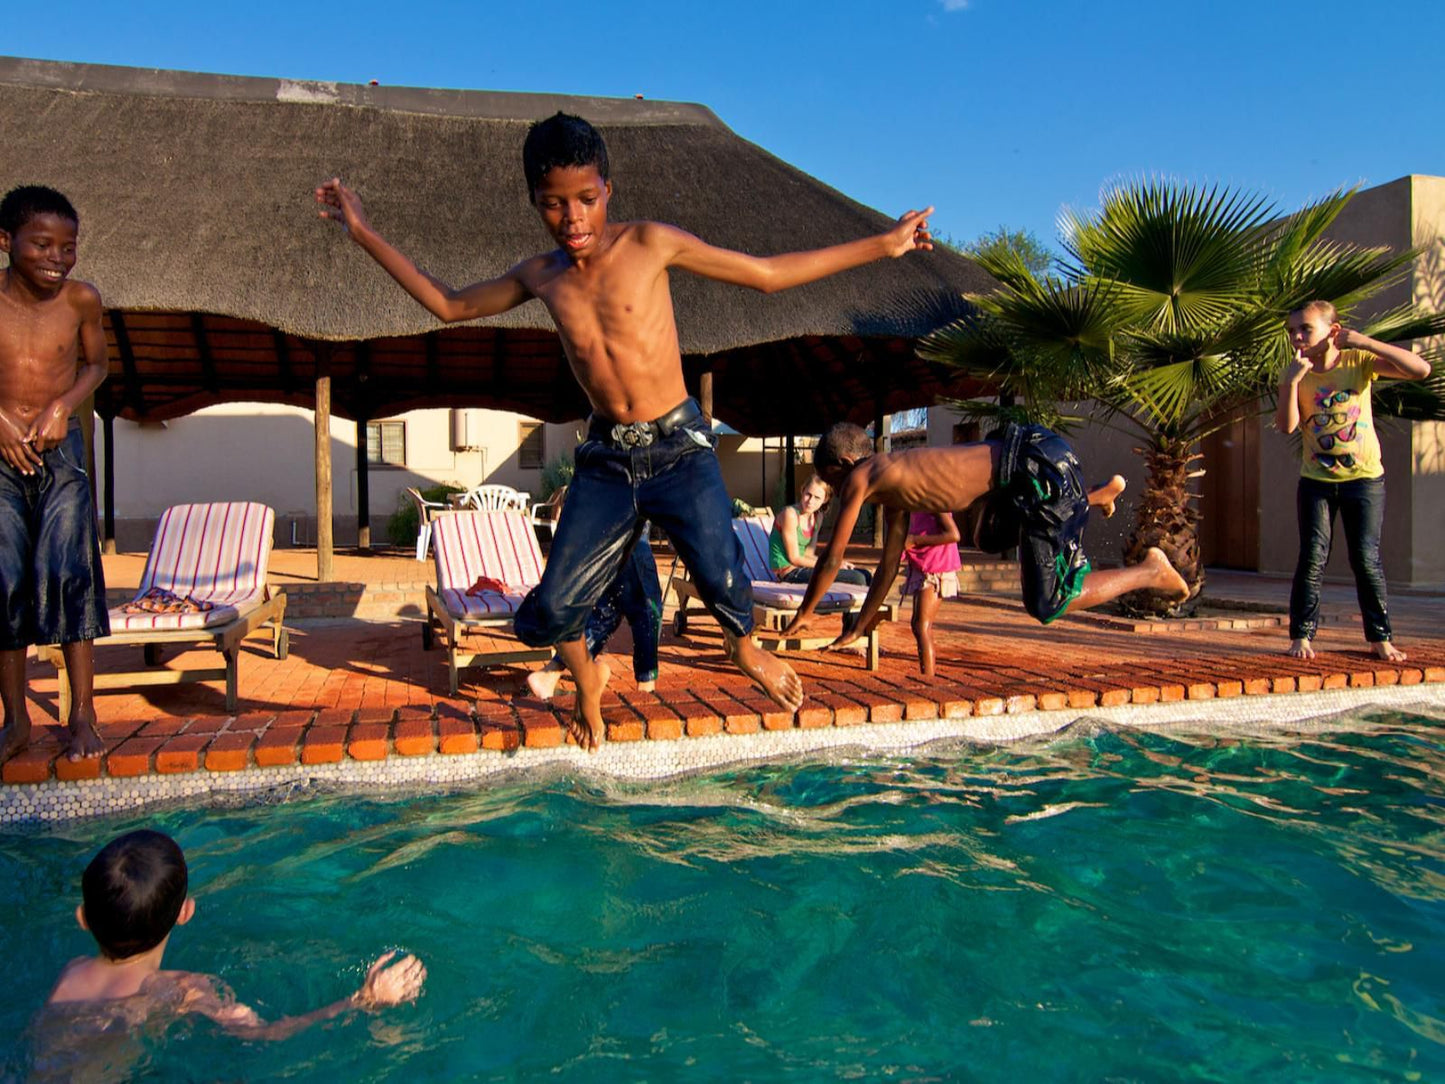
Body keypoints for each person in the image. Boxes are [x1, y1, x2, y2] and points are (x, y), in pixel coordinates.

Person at [316, 112, 934, 748]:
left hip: (678, 448)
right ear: (535, 203)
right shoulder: (541, 275)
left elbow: (768, 274)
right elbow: (448, 304)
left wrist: (882, 245)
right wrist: (363, 232)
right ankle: (587, 681)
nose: (573, 219)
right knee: (555, 606)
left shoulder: (649, 243)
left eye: (586, 200)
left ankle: (744, 647)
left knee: (723, 577)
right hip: (607, 459)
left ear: (607, 188)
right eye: (554, 205)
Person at [782, 421, 1187, 645]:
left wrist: (805, 613)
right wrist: (860, 626)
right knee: (986, 533)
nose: (837, 490)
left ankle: (1150, 571)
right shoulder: (895, 487)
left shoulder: (863, 475)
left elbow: (832, 558)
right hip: (1029, 457)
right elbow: (889, 569)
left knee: (1046, 604)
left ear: (848, 461)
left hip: (1036, 471)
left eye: (832, 479)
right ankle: (1095, 495)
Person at [44, 829, 425, 1043]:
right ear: (185, 913)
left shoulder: (70, 974)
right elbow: (268, 1034)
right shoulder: (184, 989)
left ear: (83, 918)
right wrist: (363, 1000)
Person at [0, 185, 110, 766]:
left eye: (68, 247)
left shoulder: (80, 301)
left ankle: (83, 713)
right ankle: (16, 719)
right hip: (0, 452)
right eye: (42, 244)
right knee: (4, 579)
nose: (57, 257)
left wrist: (64, 405)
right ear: (5, 241)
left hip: (59, 449)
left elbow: (97, 364)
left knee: (72, 573)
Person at [1275, 301, 1431, 661]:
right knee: (1312, 557)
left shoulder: (1357, 363)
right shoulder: (1295, 372)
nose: (1297, 336)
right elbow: (1286, 426)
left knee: (1366, 558)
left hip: (1364, 480)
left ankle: (1380, 638)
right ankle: (1301, 636)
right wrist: (1289, 384)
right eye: (1292, 330)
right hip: (1315, 481)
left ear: (1332, 331)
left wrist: (1365, 342)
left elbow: (1420, 370)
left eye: (1305, 329)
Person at [527, 528, 662, 700]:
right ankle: (645, 693)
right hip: (629, 525)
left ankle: (549, 674)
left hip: (607, 530)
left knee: (607, 612)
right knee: (647, 606)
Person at [768, 474, 870, 588]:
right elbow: (794, 558)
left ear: (825, 499)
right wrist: (831, 566)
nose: (810, 501)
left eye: (817, 498)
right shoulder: (790, 515)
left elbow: (809, 554)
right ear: (802, 490)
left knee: (865, 574)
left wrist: (837, 564)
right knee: (858, 578)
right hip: (789, 573)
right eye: (808, 495)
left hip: (803, 569)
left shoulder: (817, 517)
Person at [900, 510, 962, 676]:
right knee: (917, 624)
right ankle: (926, 674)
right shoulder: (915, 502)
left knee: (922, 626)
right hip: (924, 564)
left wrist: (914, 540)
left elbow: (953, 534)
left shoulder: (933, 500)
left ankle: (928, 679)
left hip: (936, 567)